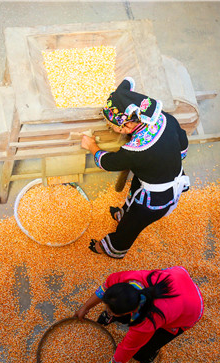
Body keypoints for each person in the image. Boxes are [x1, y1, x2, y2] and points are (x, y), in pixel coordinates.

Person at [81, 77, 190, 259]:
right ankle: (124, 213)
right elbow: (183, 145)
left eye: (112, 125)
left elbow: (107, 163)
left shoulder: (136, 148)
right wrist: (163, 160)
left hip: (156, 199)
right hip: (161, 177)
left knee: (130, 226)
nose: (109, 126)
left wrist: (92, 146)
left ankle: (113, 249)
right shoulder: (165, 119)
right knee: (134, 195)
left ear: (128, 126)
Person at [75, 267, 203, 363]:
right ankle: (117, 315)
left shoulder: (148, 321)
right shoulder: (122, 280)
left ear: (130, 311)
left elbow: (124, 352)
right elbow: (104, 288)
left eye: (110, 310)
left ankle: (152, 350)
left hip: (191, 308)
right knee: (119, 309)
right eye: (107, 307)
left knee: (140, 354)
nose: (107, 310)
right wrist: (85, 307)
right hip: (176, 277)